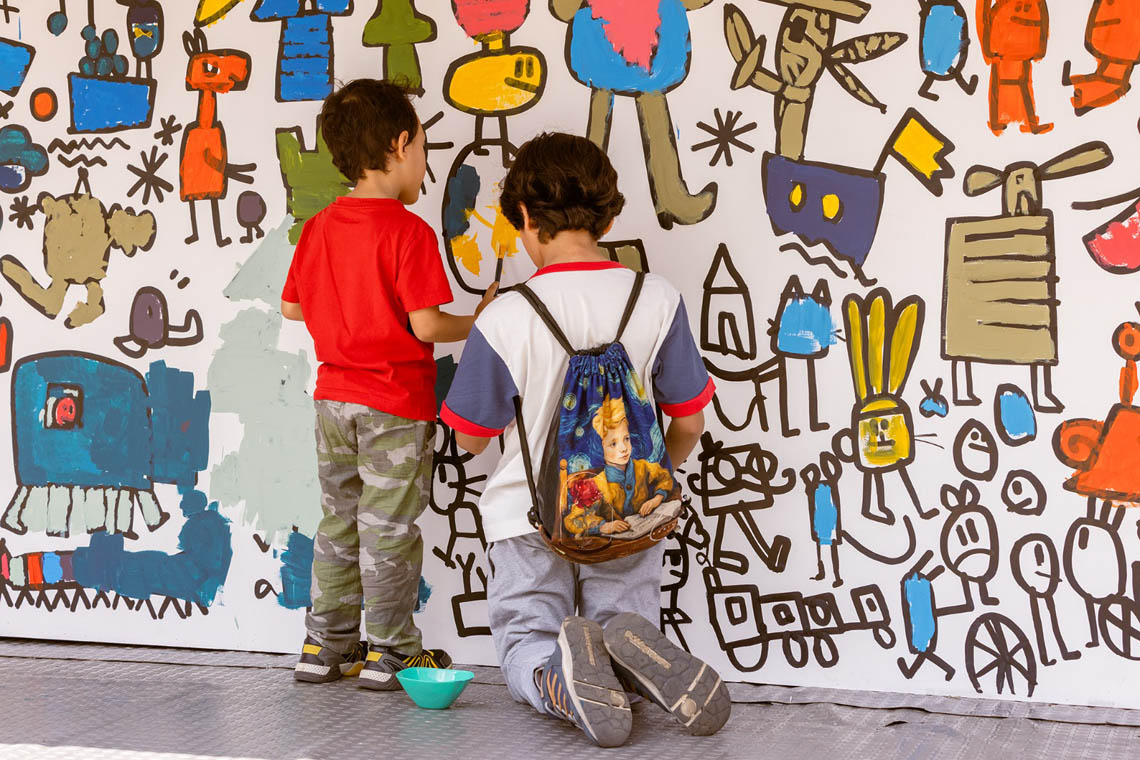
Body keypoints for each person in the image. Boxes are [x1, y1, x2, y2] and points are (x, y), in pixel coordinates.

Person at [441, 132, 730, 746]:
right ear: (610, 214)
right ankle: (629, 665)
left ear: (523, 216)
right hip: (630, 510)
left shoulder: (506, 316)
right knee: (622, 620)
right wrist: (646, 481)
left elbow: (469, 440)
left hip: (528, 516)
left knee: (529, 637)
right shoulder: (658, 298)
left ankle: (557, 680)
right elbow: (690, 422)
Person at [281, 79, 496, 690]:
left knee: (338, 522)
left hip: (332, 402)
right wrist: (478, 321)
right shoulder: (409, 232)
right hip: (395, 407)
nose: (425, 165)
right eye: (425, 149)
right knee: (389, 529)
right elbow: (427, 323)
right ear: (401, 145)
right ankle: (394, 651)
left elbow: (294, 308)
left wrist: (342, 307)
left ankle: (324, 646)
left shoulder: (320, 227)